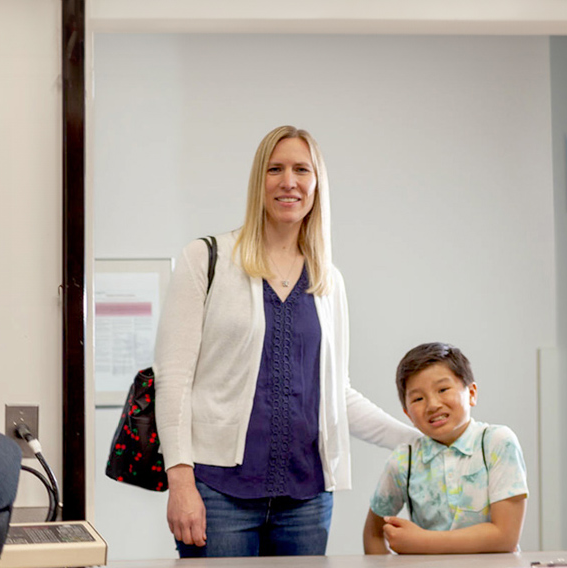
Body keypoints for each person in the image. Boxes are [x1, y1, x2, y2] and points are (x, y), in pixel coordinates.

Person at [153, 125, 420, 557]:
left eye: (301, 169)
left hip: (307, 500)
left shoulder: (328, 280)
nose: (288, 181)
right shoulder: (207, 259)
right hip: (220, 495)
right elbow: (174, 381)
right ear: (259, 181)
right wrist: (180, 482)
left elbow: (338, 395)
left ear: (317, 185)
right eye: (275, 169)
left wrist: (417, 440)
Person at [363, 342, 528, 554]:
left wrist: (420, 542)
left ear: (471, 393)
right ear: (407, 414)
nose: (432, 405)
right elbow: (373, 534)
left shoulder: (497, 443)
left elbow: (505, 536)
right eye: (418, 398)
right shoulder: (405, 459)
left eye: (443, 389)